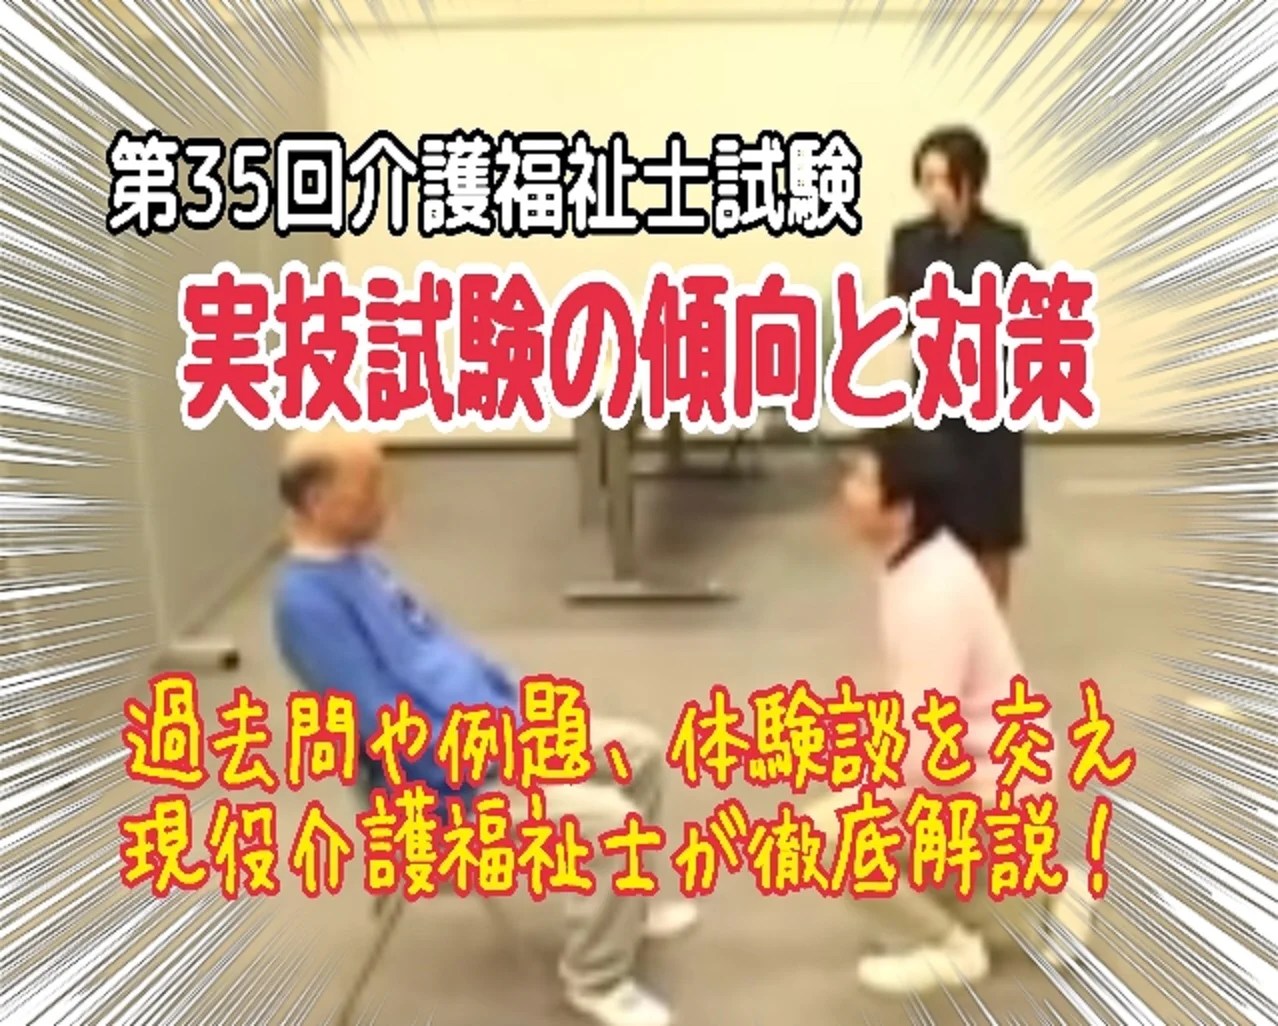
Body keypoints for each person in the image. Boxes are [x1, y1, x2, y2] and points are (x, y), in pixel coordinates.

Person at [271, 430, 695, 1026]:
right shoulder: (307, 605)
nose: (389, 498)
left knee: (638, 752)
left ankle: (630, 909)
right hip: (442, 791)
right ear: (319, 502)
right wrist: (493, 773)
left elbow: (446, 648)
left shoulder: (361, 564)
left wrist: (518, 706)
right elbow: (383, 726)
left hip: (494, 737)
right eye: (370, 487)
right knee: (612, 824)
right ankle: (596, 980)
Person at [804, 430, 1091, 995]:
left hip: (990, 784)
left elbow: (921, 752)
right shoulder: (921, 562)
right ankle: (1047, 895)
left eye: (862, 481)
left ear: (902, 508)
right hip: (994, 774)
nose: (845, 491)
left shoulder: (930, 592)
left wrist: (854, 799)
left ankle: (950, 948)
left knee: (822, 837)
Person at [887, 125, 1039, 607]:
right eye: (926, 179)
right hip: (934, 399)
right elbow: (902, 313)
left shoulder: (1007, 242)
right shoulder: (910, 240)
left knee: (992, 531)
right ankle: (942, 630)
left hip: (992, 400)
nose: (934, 190)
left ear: (971, 180)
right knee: (933, 528)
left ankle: (992, 634)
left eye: (943, 178)